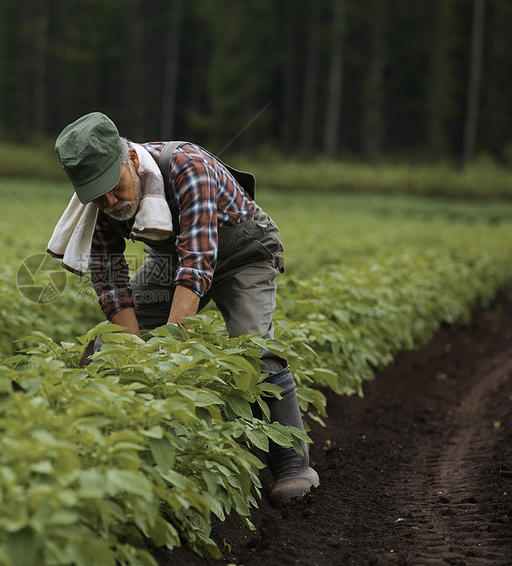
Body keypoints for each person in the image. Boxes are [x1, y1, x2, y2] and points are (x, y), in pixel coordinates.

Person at [53, 111, 319, 508]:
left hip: (244, 251)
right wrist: (133, 355)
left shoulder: (185, 167)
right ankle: (91, 452)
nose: (111, 202)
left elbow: (198, 265)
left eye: (115, 188)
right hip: (176, 258)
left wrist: (172, 353)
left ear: (132, 161)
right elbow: (110, 280)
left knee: (253, 351)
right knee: (105, 350)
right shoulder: (102, 203)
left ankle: (292, 465)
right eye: (99, 197)